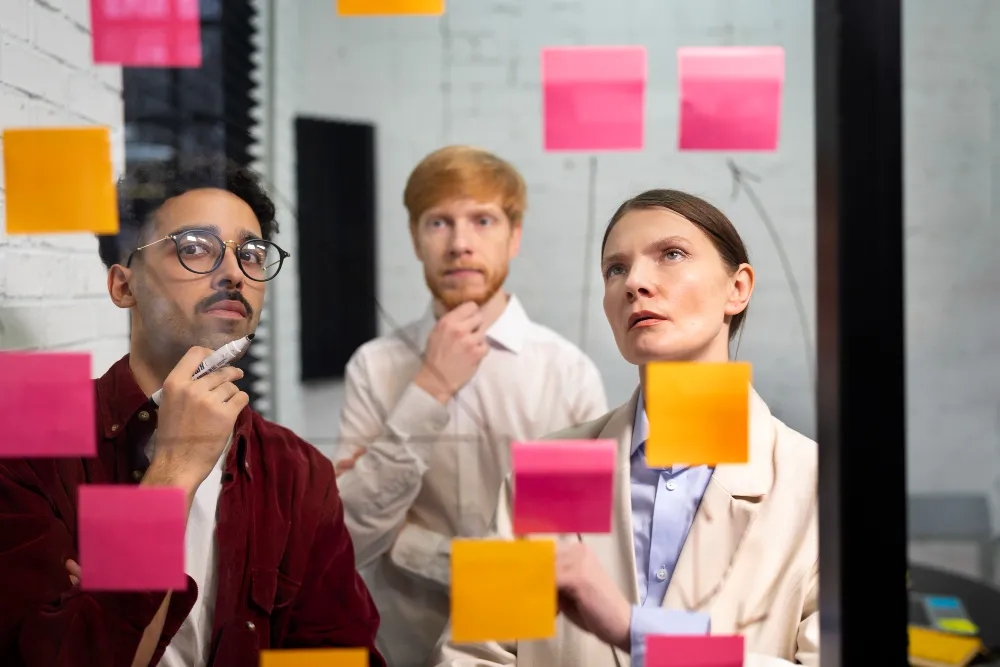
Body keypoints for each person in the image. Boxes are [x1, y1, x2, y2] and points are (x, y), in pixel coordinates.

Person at [0, 159, 385, 667]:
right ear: (123, 286)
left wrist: (107, 584)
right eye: (195, 247)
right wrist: (173, 474)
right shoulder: (31, 442)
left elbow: (335, 657)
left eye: (252, 254)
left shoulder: (296, 470)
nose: (235, 273)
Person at [432, 189, 818, 667]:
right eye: (616, 269)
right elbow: (470, 656)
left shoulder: (818, 486)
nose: (635, 282)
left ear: (737, 288)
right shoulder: (550, 470)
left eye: (671, 254)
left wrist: (635, 631)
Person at [333, 145, 608, 667]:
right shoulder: (374, 367)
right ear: (415, 238)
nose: (460, 244)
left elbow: (566, 552)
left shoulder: (566, 374)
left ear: (514, 236)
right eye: (439, 222)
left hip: (522, 650)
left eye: (483, 221)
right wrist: (430, 387)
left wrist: (414, 546)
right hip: (400, 646)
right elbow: (350, 537)